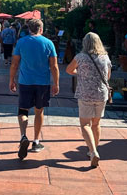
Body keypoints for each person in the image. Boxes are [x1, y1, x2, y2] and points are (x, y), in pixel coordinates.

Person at [9, 19, 59, 160]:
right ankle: (36, 141)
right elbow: (54, 66)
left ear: (28, 29)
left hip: (25, 82)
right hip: (42, 83)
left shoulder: (21, 42)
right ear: (41, 29)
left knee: (23, 110)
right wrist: (56, 83)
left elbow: (14, 63)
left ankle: (23, 135)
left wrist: (11, 80)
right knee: (39, 111)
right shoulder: (48, 43)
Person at [65, 32, 112, 168]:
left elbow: (69, 70)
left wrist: (80, 73)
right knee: (96, 124)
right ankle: (94, 149)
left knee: (85, 124)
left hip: (85, 93)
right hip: (101, 94)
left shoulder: (80, 57)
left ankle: (92, 151)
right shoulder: (105, 57)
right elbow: (108, 76)